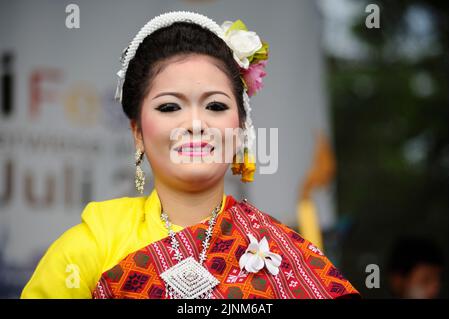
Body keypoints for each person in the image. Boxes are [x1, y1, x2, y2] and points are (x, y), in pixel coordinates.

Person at [21, 11, 359, 299]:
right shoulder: (93, 246)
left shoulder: (282, 255)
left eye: (215, 106)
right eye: (170, 106)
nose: (196, 123)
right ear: (137, 132)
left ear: (241, 129)